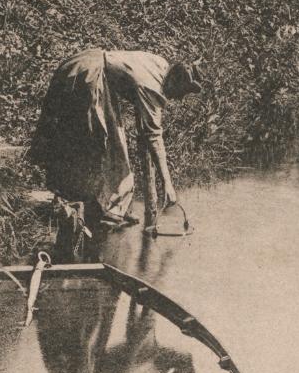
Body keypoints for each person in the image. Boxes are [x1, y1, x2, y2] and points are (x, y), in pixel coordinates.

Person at [26, 49, 205, 235]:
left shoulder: (160, 64)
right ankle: (89, 205)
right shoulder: (150, 86)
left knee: (112, 139)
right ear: (174, 81)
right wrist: (168, 184)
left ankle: (112, 205)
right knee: (100, 142)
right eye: (180, 92)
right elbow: (154, 137)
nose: (179, 98)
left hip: (89, 64)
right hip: (88, 75)